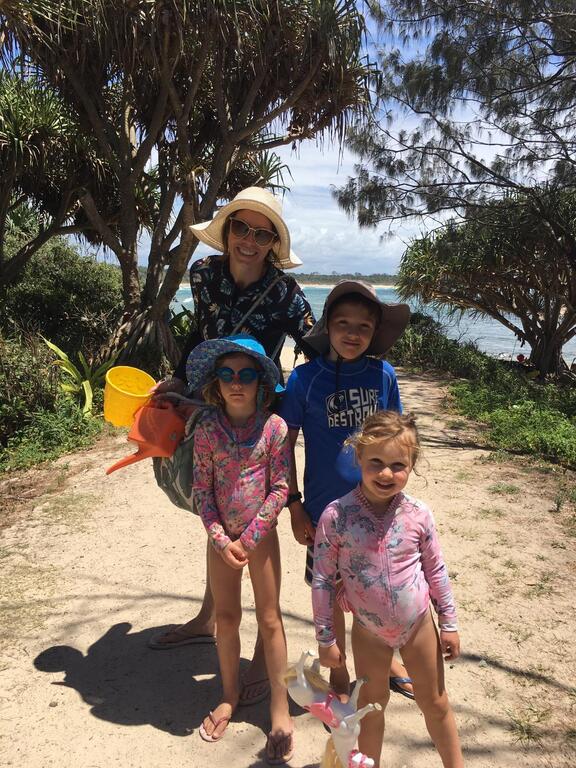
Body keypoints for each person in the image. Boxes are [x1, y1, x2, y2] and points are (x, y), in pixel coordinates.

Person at [149, 186, 316, 707]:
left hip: (260, 418)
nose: (249, 240)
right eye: (240, 229)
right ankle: (209, 617)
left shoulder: (286, 294)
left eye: (261, 233)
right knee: (216, 507)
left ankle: (252, 638)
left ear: (272, 243)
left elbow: (316, 341)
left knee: (253, 516)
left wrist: (359, 365)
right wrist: (177, 381)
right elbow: (201, 334)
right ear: (227, 234)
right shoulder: (203, 276)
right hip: (213, 407)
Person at [279, 280, 414, 698]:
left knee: (377, 588)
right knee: (331, 596)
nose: (352, 334)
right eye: (343, 323)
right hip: (324, 513)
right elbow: (284, 443)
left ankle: (383, 659)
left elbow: (397, 438)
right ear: (327, 325)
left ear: (375, 333)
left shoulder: (383, 374)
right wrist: (294, 505)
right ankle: (336, 673)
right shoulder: (304, 378)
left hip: (379, 509)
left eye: (363, 327)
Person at [312, 411, 463, 768]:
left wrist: (450, 622)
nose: (386, 473)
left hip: (418, 625)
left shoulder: (418, 514)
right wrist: (325, 639)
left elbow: (436, 570)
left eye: (398, 465)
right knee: (371, 709)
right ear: (358, 457)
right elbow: (322, 580)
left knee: (436, 702)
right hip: (368, 632)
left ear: (411, 465)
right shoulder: (336, 517)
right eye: (376, 461)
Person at [188, 334, 293, 763]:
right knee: (227, 617)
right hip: (221, 540)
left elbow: (282, 486)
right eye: (227, 374)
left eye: (246, 374)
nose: (236, 383)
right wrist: (220, 539)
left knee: (270, 619)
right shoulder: (207, 429)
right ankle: (229, 694)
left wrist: (249, 539)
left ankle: (280, 709)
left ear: (260, 382)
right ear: (216, 381)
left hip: (260, 539)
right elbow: (202, 490)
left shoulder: (274, 428)